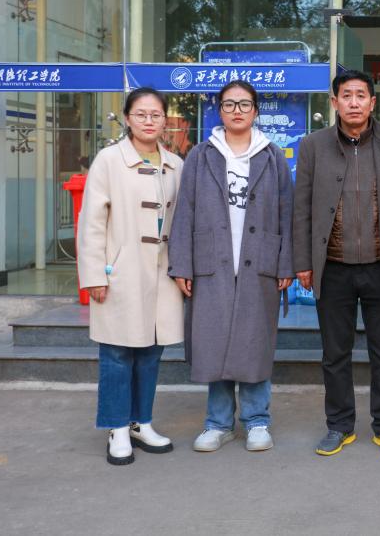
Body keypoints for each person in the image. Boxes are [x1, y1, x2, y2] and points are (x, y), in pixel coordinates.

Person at [292, 70, 380, 458]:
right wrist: (303, 262)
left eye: (361, 95)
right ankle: (339, 425)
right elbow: (301, 208)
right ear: (334, 102)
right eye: (346, 95)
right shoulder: (313, 145)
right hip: (333, 266)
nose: (354, 102)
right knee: (335, 353)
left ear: (372, 102)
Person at [167, 81, 294, 454]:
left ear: (255, 110)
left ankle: (257, 421)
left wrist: (285, 262)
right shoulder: (201, 155)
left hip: (260, 261)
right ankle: (218, 423)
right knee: (215, 341)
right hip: (212, 261)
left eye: (244, 104)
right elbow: (184, 211)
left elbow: (286, 213)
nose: (237, 110)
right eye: (229, 104)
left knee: (254, 342)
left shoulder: (271, 155)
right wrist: (182, 264)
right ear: (219, 110)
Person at [78, 87, 184, 466]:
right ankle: (117, 427)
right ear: (127, 118)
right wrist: (94, 274)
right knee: (117, 351)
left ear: (165, 120)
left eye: (156, 115)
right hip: (120, 271)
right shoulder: (109, 160)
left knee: (151, 351)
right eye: (141, 114)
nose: (149, 121)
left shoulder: (175, 164)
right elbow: (91, 221)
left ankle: (141, 422)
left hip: (162, 273)